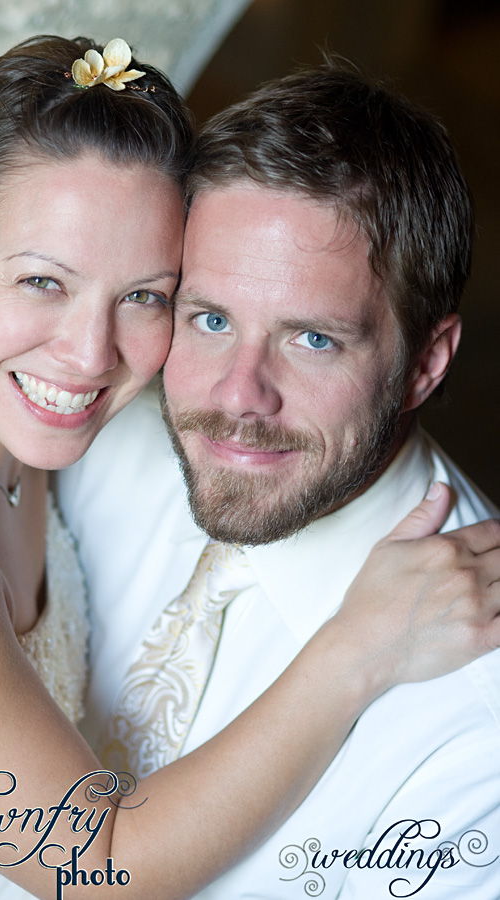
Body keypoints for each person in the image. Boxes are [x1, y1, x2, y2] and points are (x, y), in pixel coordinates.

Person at [59, 61, 500, 899]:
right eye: (212, 319)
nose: (238, 397)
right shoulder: (93, 442)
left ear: (426, 363)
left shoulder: (475, 736)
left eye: (313, 340)